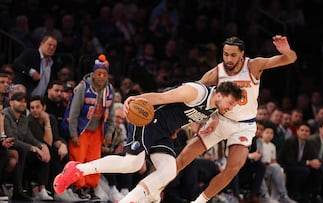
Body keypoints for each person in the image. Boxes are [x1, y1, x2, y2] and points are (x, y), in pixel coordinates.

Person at [53, 81, 243, 203]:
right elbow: (162, 97)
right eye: (231, 102)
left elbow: (185, 113)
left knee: (169, 171)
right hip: (148, 119)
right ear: (219, 94)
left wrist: (183, 126)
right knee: (132, 163)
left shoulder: (214, 107)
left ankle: (138, 198)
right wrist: (136, 99)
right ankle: (77, 170)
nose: (231, 107)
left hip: (165, 131)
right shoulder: (196, 92)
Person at [176, 35, 297, 203]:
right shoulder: (217, 72)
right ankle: (154, 188)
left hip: (244, 126)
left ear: (242, 54)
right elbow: (194, 96)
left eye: (233, 55)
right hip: (220, 119)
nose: (228, 59)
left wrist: (286, 51)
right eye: (225, 54)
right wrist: (188, 122)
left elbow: (290, 59)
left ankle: (200, 201)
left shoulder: (254, 66)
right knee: (184, 157)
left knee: (232, 168)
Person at [60, 54, 115, 200]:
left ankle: (90, 188)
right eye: (99, 73)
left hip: (97, 131)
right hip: (81, 129)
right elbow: (73, 113)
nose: (101, 77)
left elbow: (112, 114)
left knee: (94, 160)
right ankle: (77, 188)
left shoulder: (110, 90)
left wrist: (109, 133)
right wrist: (73, 134)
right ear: (93, 73)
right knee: (78, 158)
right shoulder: (82, 87)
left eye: (104, 74)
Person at [2, 92, 51, 201]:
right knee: (20, 151)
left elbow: (28, 136)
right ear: (11, 102)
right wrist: (33, 148)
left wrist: (40, 146)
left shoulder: (24, 118)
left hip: (19, 148)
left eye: (24, 101)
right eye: (19, 101)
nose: (23, 104)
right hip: (5, 146)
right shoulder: (5, 115)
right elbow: (12, 138)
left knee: (40, 152)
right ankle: (14, 188)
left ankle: (23, 190)